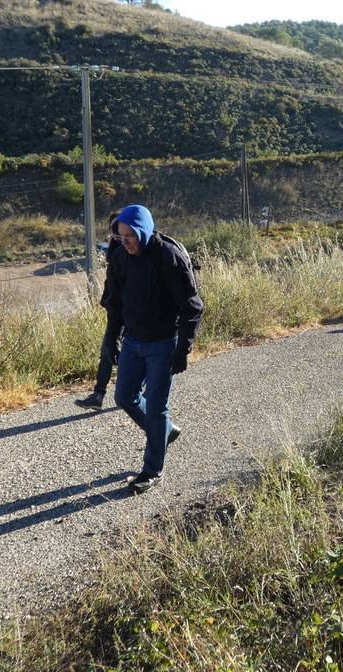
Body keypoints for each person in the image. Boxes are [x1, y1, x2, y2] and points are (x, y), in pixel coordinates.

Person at [103, 204, 204, 494]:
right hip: (133, 342)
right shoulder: (120, 256)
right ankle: (165, 431)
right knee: (124, 397)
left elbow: (193, 307)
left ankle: (152, 469)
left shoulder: (167, 257)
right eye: (121, 236)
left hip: (163, 343)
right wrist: (111, 340)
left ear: (143, 231)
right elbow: (115, 303)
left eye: (131, 235)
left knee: (156, 407)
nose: (126, 242)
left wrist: (182, 349)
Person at [76, 213, 125, 409]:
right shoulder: (117, 247)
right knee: (109, 350)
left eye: (117, 228)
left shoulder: (127, 248)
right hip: (116, 309)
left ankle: (129, 390)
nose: (114, 232)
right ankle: (99, 395)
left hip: (127, 310)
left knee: (115, 350)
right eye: (113, 228)